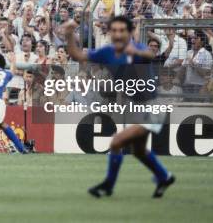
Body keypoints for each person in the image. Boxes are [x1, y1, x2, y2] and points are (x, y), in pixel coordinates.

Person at [62, 16, 175, 198]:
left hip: (152, 108)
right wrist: (69, 35)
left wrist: (134, 52)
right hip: (137, 108)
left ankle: (108, 184)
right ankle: (164, 176)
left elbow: (149, 55)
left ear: (129, 33)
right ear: (109, 32)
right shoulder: (106, 52)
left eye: (122, 30)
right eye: (114, 30)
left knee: (116, 142)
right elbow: (77, 56)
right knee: (139, 151)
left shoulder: (137, 49)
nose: (118, 34)